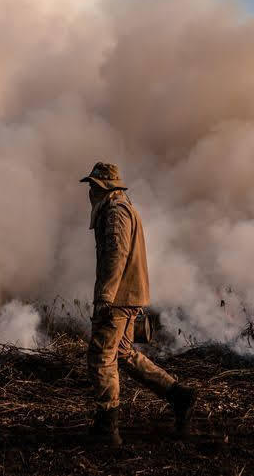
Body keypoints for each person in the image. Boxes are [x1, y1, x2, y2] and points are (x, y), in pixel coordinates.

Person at [80, 162, 197, 446]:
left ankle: (108, 427)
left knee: (102, 356)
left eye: (93, 186)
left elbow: (115, 256)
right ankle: (178, 395)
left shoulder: (116, 212)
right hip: (127, 296)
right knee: (122, 354)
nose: (90, 192)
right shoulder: (122, 207)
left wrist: (105, 296)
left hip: (118, 299)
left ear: (103, 187)